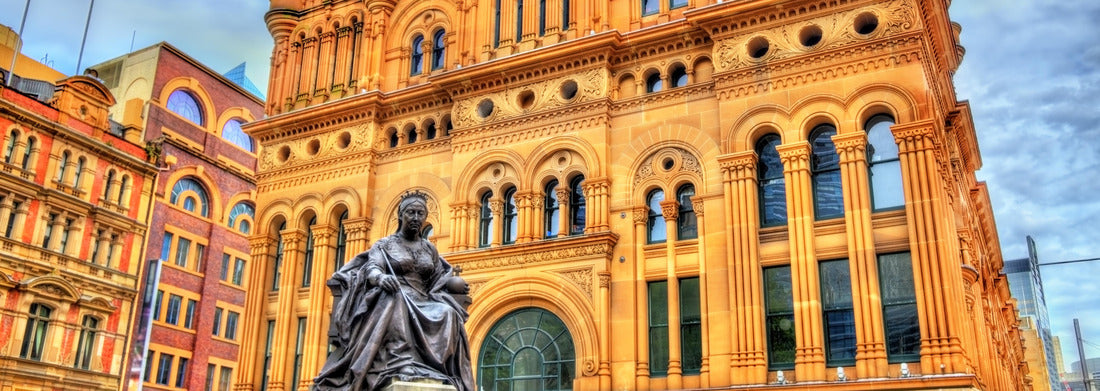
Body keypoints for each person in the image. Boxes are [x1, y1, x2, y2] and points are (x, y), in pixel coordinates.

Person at [314, 191, 473, 391]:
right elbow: (373, 268)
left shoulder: (429, 249)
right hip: (393, 293)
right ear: (400, 215)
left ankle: (435, 369)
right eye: (411, 213)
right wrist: (380, 278)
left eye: (420, 214)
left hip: (424, 299)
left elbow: (438, 277)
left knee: (449, 312)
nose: (416, 218)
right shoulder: (385, 245)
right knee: (396, 298)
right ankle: (400, 361)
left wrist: (453, 284)